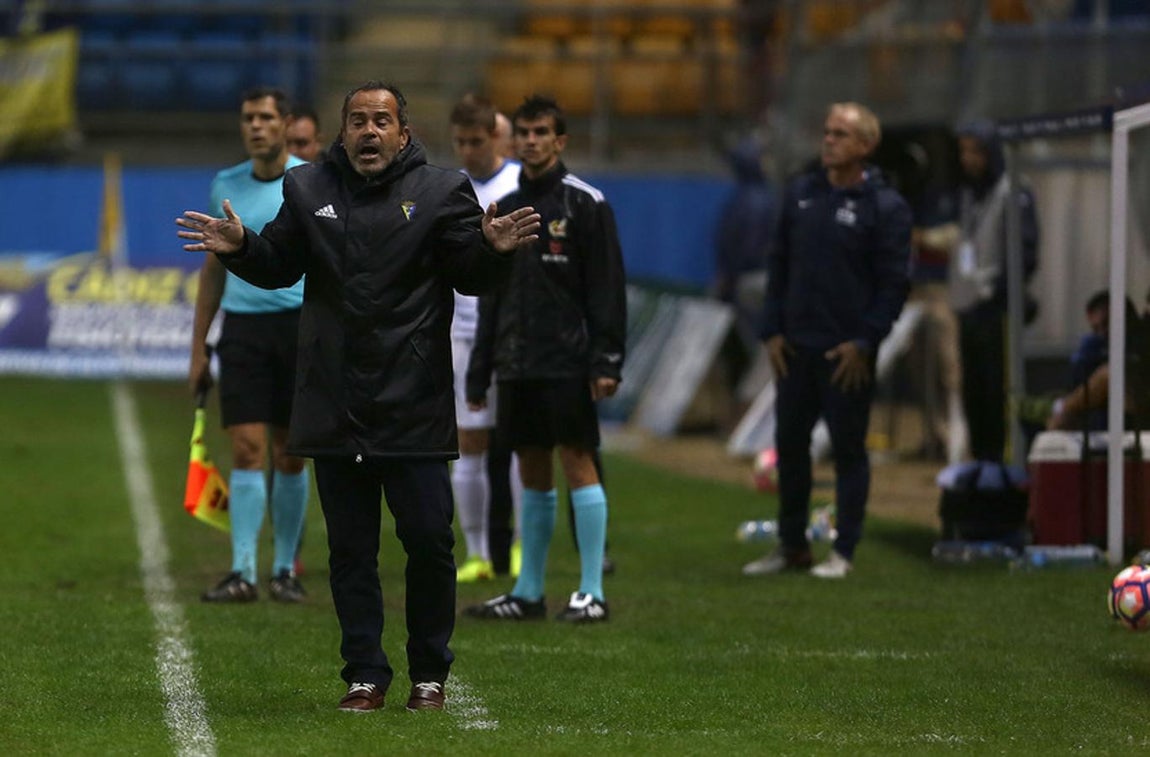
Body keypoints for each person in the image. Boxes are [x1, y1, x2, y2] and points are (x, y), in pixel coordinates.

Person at [177, 80, 541, 713]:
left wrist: (491, 249)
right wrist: (243, 249)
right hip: (334, 398)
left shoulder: (442, 191)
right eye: (358, 121)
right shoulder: (307, 187)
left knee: (429, 543)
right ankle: (365, 674)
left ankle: (429, 673)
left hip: (413, 400)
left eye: (381, 120)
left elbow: (469, 274)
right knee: (350, 551)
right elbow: (280, 263)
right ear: (341, 132)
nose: (369, 131)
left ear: (403, 133)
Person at [465, 94, 626, 622]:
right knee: (530, 466)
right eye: (525, 133)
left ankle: (591, 591)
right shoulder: (506, 207)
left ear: (560, 141)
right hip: (516, 361)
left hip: (568, 359)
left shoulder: (586, 203)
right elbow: (491, 293)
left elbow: (607, 288)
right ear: (513, 141)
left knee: (577, 460)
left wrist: (606, 360)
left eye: (541, 133)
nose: (531, 141)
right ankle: (529, 592)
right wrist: (481, 366)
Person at [742, 102, 911, 580]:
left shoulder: (885, 207)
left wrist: (866, 341)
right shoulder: (801, 194)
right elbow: (778, 264)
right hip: (794, 348)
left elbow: (894, 284)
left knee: (848, 451)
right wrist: (771, 330)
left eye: (841, 134)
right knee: (790, 448)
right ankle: (792, 545)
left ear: (866, 145)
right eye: (827, 132)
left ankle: (844, 550)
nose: (829, 140)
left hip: (845, 354)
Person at [188, 86, 310, 604]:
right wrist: (199, 346)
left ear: (285, 123)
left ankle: (284, 569)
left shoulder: (309, 181)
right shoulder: (225, 184)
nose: (256, 126)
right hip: (242, 330)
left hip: (298, 328)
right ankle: (242, 571)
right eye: (248, 118)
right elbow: (213, 269)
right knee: (246, 447)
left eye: (265, 117)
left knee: (290, 454)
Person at [448, 93, 523, 584]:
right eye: (460, 142)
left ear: (496, 136)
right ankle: (476, 552)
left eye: (476, 141)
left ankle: (516, 546)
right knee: (469, 440)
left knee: (517, 441)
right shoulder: (449, 189)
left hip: (511, 331)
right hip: (461, 332)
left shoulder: (518, 184)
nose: (468, 151)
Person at [949, 119, 1039, 462]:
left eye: (975, 151)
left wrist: (1001, 292)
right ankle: (981, 459)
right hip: (969, 306)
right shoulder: (968, 194)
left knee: (997, 388)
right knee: (973, 391)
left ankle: (1002, 462)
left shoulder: (1013, 190)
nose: (967, 159)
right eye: (963, 152)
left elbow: (1026, 253)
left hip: (996, 308)